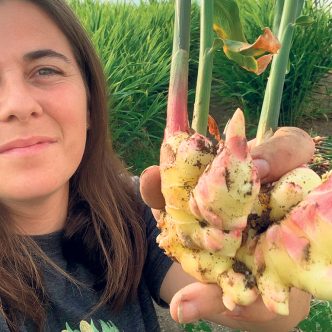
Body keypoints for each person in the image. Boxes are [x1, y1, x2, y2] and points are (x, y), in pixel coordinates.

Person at [0, 0, 314, 331]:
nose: (18, 105)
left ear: (90, 103)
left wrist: (267, 219)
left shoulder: (135, 209)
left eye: (45, 71)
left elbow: (279, 313)